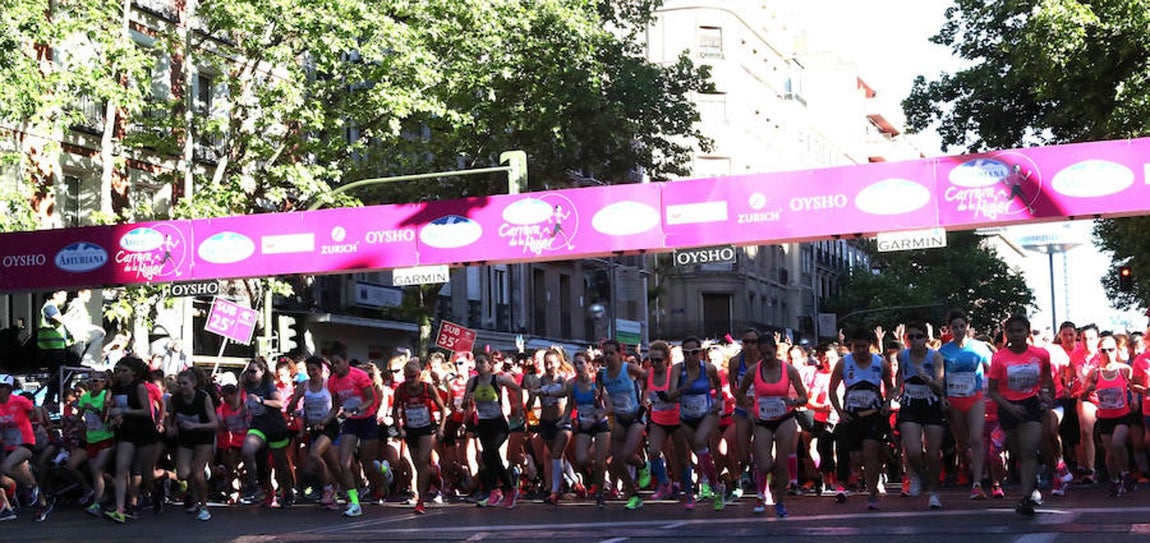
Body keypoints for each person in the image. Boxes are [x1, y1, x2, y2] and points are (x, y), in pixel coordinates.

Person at [987, 315, 1053, 516]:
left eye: (1020, 331)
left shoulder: (1040, 354)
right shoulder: (999, 358)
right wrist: (1009, 407)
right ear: (1006, 333)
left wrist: (1046, 394)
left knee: (1028, 450)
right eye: (1012, 331)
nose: (1016, 335)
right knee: (1018, 451)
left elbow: (1047, 378)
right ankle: (1032, 481)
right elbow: (993, 390)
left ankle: (1025, 499)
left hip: (1031, 404)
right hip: (1008, 407)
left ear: (1027, 332)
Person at [736, 335, 808, 518]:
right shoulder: (753, 371)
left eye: (770, 353)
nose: (767, 357)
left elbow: (803, 397)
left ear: (776, 351)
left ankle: (780, 502)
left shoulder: (789, 370)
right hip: (763, 420)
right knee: (764, 463)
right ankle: (762, 492)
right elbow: (740, 393)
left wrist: (791, 401)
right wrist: (750, 409)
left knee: (782, 463)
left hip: (784, 418)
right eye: (764, 354)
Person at [829, 328, 893, 510]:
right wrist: (840, 413)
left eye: (864, 347)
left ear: (870, 346)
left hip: (873, 415)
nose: (861, 351)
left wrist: (887, 402)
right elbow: (832, 389)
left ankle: (872, 494)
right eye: (857, 347)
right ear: (851, 346)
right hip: (852, 416)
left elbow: (890, 386)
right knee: (856, 458)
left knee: (869, 453)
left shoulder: (880, 363)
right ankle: (869, 474)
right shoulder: (843, 363)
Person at [938, 310, 993, 500]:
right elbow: (940, 379)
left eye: (962, 326)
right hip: (953, 400)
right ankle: (965, 465)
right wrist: (942, 397)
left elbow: (993, 370)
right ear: (949, 329)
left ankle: (977, 484)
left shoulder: (979, 347)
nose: (959, 330)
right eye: (955, 327)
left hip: (975, 397)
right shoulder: (943, 351)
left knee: (976, 439)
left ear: (968, 327)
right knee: (962, 444)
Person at [665, 336, 724, 510]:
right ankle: (716, 486)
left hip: (707, 414)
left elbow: (719, 385)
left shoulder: (709, 369)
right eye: (686, 353)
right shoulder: (677, 370)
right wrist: (684, 388)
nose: (690, 356)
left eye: (694, 352)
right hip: (686, 417)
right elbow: (670, 395)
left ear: (700, 353)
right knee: (699, 453)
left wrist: (719, 401)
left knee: (699, 442)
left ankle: (713, 486)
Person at [325, 343, 381, 517]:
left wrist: (357, 409)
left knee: (368, 463)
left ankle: (384, 472)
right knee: (344, 462)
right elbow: (335, 407)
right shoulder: (332, 381)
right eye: (332, 364)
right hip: (351, 422)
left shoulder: (359, 375)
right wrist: (324, 420)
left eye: (337, 363)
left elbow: (371, 399)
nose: (335, 367)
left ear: (345, 361)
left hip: (367, 420)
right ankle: (354, 503)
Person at [895, 321, 947, 510]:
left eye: (919, 336)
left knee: (933, 453)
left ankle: (934, 493)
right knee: (913, 449)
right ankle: (916, 474)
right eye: (911, 337)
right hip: (910, 403)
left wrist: (927, 378)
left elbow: (940, 386)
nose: (915, 340)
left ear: (926, 338)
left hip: (930, 403)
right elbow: (899, 375)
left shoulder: (935, 357)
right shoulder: (903, 356)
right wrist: (897, 389)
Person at [464, 352, 523, 508]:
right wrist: (468, 400)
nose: (479, 365)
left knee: (489, 453)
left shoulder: (498, 379)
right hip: (483, 424)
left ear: (490, 364)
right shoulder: (472, 382)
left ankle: (505, 490)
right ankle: (500, 491)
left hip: (498, 424)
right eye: (477, 362)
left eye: (482, 362)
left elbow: (519, 390)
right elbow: (464, 404)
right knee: (490, 458)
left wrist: (518, 413)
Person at [238, 357, 296, 509]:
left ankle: (287, 491)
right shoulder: (247, 386)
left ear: (262, 372)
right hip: (258, 426)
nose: (250, 374)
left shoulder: (268, 386)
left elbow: (279, 403)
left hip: (275, 426)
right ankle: (254, 485)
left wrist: (261, 401)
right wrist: (241, 385)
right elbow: (239, 404)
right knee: (248, 450)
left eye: (253, 371)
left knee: (279, 463)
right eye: (248, 371)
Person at [105, 356, 157, 523]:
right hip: (126, 431)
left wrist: (124, 411)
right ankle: (120, 509)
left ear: (134, 372)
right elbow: (113, 406)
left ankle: (155, 493)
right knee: (121, 469)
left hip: (143, 431)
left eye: (124, 370)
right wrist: (113, 414)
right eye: (118, 370)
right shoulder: (117, 387)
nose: (120, 374)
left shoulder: (139, 387)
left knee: (146, 472)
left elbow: (146, 412)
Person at [597, 339, 648, 511]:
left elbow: (648, 379)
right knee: (616, 460)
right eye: (606, 353)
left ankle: (642, 465)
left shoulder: (629, 368)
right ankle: (634, 495)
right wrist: (597, 403)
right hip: (619, 418)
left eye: (612, 353)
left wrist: (644, 403)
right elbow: (598, 396)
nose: (609, 357)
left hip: (636, 416)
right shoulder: (602, 375)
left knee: (626, 454)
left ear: (620, 354)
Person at [1082, 334, 1135, 496]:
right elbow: (1083, 394)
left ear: (1117, 350)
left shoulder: (1125, 369)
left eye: (1110, 349)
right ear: (1099, 352)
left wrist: (1134, 400)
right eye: (1103, 350)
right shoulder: (1095, 372)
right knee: (1110, 452)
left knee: (1118, 442)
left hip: (1122, 414)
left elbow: (1133, 387)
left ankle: (1125, 474)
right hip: (1105, 416)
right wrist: (1089, 389)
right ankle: (1114, 481)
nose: (1107, 353)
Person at [393, 361, 448, 514]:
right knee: (419, 466)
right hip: (410, 430)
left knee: (423, 461)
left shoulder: (427, 388)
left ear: (418, 376)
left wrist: (441, 428)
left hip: (426, 429)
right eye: (407, 377)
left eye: (412, 377)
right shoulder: (401, 389)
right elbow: (394, 411)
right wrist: (399, 428)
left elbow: (443, 409)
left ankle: (421, 501)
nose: (409, 380)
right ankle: (434, 475)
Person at [287, 356, 342, 510]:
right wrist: (296, 400)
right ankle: (335, 495)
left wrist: (325, 421)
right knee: (330, 464)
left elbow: (336, 407)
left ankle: (329, 490)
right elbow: (290, 408)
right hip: (314, 428)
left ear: (320, 369)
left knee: (315, 454)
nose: (312, 373)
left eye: (314, 370)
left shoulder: (328, 384)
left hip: (329, 426)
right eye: (309, 370)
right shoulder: (304, 386)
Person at [167, 369, 218, 520]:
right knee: (182, 473)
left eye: (185, 383)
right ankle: (194, 495)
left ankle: (204, 506)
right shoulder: (175, 398)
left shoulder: (203, 397)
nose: (182, 387)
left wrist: (195, 426)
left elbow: (214, 423)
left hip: (203, 436)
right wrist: (171, 427)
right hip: (186, 437)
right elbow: (171, 417)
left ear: (194, 384)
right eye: (180, 383)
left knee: (197, 472)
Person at [526, 348, 575, 504]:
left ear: (558, 363)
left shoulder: (563, 380)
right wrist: (531, 396)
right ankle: (575, 480)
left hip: (561, 422)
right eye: (546, 363)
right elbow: (531, 403)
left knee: (555, 455)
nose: (548, 367)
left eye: (551, 363)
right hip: (546, 423)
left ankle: (555, 491)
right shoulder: (539, 381)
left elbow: (564, 393)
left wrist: (545, 392)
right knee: (557, 456)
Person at [0, 373, 48, 521]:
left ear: (8, 389)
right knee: (28, 477)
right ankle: (43, 504)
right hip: (9, 445)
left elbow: (37, 410)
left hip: (26, 443)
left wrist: (38, 424)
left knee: (6, 467)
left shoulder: (19, 400)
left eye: (1, 387)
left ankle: (31, 487)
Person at [78, 370, 115, 518]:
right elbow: (79, 416)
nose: (92, 383)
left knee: (98, 470)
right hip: (91, 439)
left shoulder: (106, 395)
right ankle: (115, 487)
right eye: (90, 381)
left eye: (96, 381)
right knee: (96, 473)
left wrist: (93, 408)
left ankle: (97, 503)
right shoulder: (86, 396)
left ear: (104, 382)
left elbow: (106, 417)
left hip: (105, 438)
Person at [37, 290, 72, 408]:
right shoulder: (50, 307)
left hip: (55, 347)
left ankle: (51, 400)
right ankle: (51, 401)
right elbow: (59, 319)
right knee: (56, 376)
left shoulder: (52, 307)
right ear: (54, 295)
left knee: (56, 376)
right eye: (63, 296)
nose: (65, 299)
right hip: (52, 348)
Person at [63, 289, 107, 370]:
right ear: (80, 293)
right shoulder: (76, 303)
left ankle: (87, 357)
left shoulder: (80, 305)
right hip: (77, 334)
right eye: (87, 294)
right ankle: (86, 358)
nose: (90, 297)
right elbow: (66, 318)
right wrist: (72, 333)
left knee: (100, 333)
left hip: (82, 332)